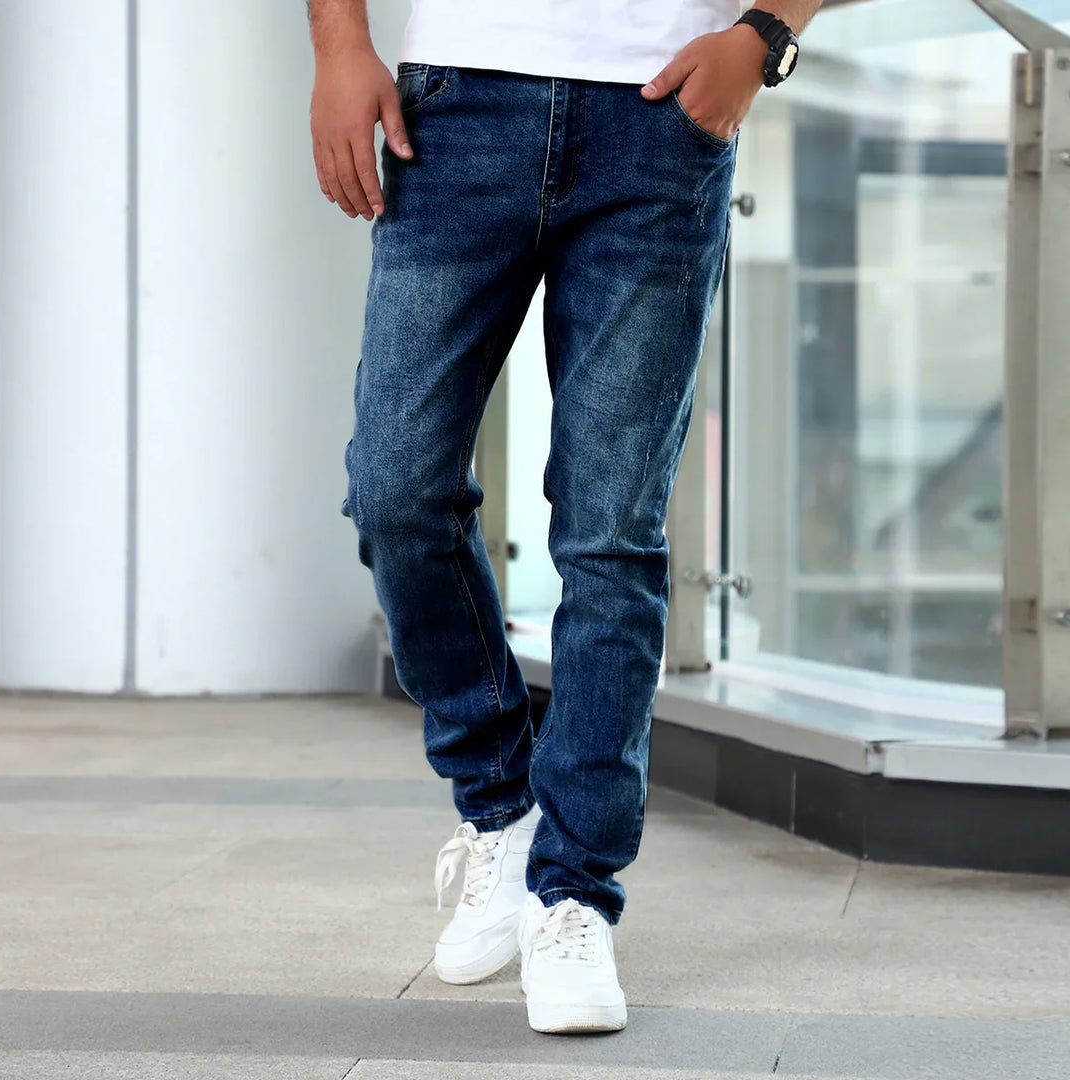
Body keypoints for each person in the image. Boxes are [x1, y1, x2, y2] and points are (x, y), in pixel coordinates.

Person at [309, 0, 822, 1035]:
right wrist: (339, 45)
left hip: (664, 109)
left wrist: (766, 36)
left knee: (611, 529)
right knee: (396, 488)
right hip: (454, 107)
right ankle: (501, 799)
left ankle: (574, 895)